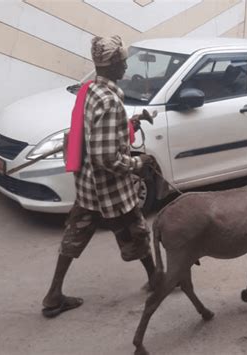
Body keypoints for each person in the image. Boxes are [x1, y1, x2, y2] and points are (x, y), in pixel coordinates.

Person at [41, 35, 156, 318]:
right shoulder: (110, 102)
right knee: (137, 230)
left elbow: (95, 135)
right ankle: (157, 279)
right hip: (112, 190)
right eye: (123, 61)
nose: (126, 67)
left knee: (75, 236)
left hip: (89, 187)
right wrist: (137, 163)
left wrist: (131, 123)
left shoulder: (90, 90)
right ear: (113, 64)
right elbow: (106, 158)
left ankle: (53, 295)